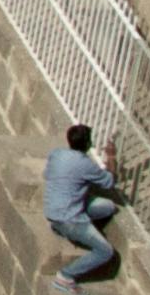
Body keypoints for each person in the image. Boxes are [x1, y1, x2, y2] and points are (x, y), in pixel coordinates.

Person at [43, 120, 122, 285]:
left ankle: (64, 229)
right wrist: (112, 157)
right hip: (70, 219)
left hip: (53, 209)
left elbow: (48, 174)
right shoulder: (85, 165)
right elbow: (109, 182)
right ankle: (66, 276)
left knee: (108, 207)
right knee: (105, 252)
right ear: (87, 143)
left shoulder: (57, 154)